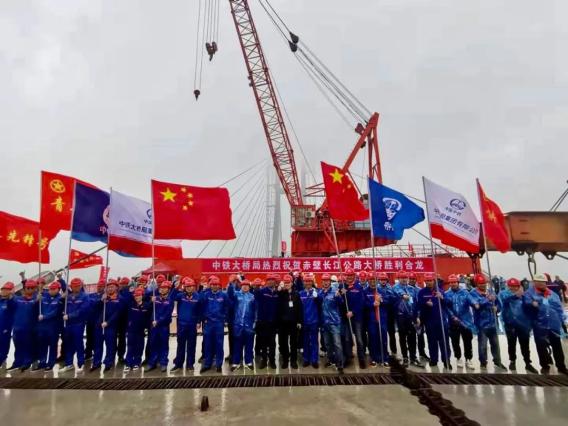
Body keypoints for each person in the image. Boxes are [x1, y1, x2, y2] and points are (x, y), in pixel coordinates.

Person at [524, 273, 567, 375]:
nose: (541, 283)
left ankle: (561, 366)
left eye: (543, 282)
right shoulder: (529, 294)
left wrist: (561, 321)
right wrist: (532, 303)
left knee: (557, 346)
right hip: (539, 325)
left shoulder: (553, 294)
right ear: (534, 282)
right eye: (538, 281)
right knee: (541, 346)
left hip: (553, 325)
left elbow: (559, 308)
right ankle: (545, 366)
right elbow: (526, 302)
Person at [499, 278, 538, 374]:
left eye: (515, 286)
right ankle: (512, 361)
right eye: (511, 286)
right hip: (510, 325)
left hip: (523, 325)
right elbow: (504, 301)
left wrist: (533, 303)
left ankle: (528, 363)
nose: (513, 288)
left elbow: (529, 306)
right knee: (511, 344)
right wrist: (515, 295)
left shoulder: (524, 295)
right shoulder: (503, 294)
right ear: (508, 286)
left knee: (525, 345)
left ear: (518, 286)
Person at [469, 274, 506, 371]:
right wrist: (487, 299)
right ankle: (483, 363)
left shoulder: (491, 291)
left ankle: (497, 361)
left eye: (484, 283)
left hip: (493, 322)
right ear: (477, 284)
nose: (483, 285)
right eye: (480, 283)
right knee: (483, 345)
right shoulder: (473, 293)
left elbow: (499, 304)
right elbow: (476, 305)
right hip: (481, 324)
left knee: (495, 344)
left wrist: (497, 308)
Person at [416, 273, 451, 369]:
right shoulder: (421, 292)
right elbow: (419, 305)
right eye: (427, 281)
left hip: (441, 320)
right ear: (425, 281)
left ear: (434, 281)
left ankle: (446, 360)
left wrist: (442, 298)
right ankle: (434, 359)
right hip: (429, 321)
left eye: (430, 280)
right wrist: (426, 304)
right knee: (432, 341)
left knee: (444, 342)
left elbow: (448, 303)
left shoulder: (440, 291)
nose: (429, 282)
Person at [445, 274, 475, 370]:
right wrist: (452, 316)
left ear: (458, 282)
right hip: (453, 322)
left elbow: (472, 301)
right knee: (455, 341)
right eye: (451, 282)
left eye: (454, 282)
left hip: (466, 322)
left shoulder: (465, 292)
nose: (453, 284)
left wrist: (475, 304)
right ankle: (458, 358)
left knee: (467, 341)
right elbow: (446, 307)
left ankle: (468, 359)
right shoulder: (446, 294)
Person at [393, 272, 423, 367]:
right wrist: (403, 295)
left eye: (405, 277)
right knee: (402, 337)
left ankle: (413, 357)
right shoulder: (395, 288)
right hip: (401, 316)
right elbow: (399, 292)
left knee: (412, 337)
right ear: (398, 278)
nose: (404, 279)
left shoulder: (412, 289)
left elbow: (416, 304)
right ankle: (405, 357)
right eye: (402, 278)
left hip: (411, 316)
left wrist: (417, 316)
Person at [200, 276, 229, 373]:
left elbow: (227, 307)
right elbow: (201, 305)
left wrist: (224, 318)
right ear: (210, 285)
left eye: (216, 284)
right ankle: (207, 364)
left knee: (219, 344)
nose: (215, 286)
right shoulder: (206, 295)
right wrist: (204, 318)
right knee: (208, 343)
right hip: (208, 323)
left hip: (219, 323)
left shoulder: (223, 295)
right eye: (213, 284)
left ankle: (218, 364)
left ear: (219, 285)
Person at [171, 277, 201, 372]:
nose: (189, 288)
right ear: (185, 287)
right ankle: (178, 364)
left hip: (192, 325)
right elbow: (171, 298)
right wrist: (175, 288)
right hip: (181, 324)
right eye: (187, 286)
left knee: (191, 345)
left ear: (194, 287)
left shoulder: (198, 297)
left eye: (191, 286)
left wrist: (198, 321)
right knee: (180, 345)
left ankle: (190, 364)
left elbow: (200, 311)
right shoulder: (180, 296)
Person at [60, 278, 89, 373]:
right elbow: (62, 304)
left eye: (77, 286)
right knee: (68, 344)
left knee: (78, 343)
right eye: (73, 286)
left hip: (78, 323)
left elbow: (82, 310)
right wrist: (62, 298)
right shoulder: (68, 296)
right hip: (68, 324)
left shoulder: (85, 297)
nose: (76, 288)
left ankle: (81, 363)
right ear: (71, 286)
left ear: (81, 286)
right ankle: (69, 364)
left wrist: (70, 316)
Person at [146, 280, 174, 373]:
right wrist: (151, 301)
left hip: (163, 326)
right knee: (153, 344)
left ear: (168, 290)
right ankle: (152, 363)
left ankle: (163, 363)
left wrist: (158, 321)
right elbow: (148, 308)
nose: (162, 290)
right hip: (154, 326)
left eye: (164, 288)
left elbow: (167, 314)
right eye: (161, 288)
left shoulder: (170, 300)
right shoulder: (156, 298)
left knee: (163, 345)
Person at [341, 268, 367, 369]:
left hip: (357, 318)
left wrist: (353, 312)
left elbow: (361, 303)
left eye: (351, 275)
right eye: (347, 275)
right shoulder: (342, 286)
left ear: (354, 276)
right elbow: (341, 302)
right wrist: (341, 294)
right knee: (347, 339)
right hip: (346, 318)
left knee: (359, 340)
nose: (349, 277)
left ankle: (361, 359)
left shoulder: (359, 287)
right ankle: (348, 358)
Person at [363, 272, 391, 366]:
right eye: (370, 280)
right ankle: (374, 358)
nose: (372, 281)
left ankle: (384, 357)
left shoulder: (382, 290)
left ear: (377, 280)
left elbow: (388, 301)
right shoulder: (365, 291)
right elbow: (363, 304)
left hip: (382, 318)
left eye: (374, 279)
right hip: (371, 319)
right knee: (373, 338)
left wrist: (381, 300)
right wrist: (372, 304)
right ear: (368, 281)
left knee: (383, 338)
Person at [228, 279, 256, 371]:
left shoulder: (252, 297)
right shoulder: (236, 295)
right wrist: (231, 284)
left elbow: (256, 310)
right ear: (241, 286)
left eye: (247, 285)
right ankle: (236, 363)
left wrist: (255, 321)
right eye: (243, 285)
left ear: (249, 287)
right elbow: (229, 295)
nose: (245, 287)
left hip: (249, 324)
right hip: (237, 324)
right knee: (237, 344)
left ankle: (249, 362)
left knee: (249, 344)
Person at [320, 274, 345, 374]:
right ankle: (331, 360)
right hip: (324, 323)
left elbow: (341, 303)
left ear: (330, 282)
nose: (325, 282)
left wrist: (339, 297)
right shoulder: (320, 292)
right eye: (324, 280)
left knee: (337, 344)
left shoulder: (335, 292)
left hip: (334, 322)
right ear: (322, 282)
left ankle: (340, 365)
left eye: (327, 280)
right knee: (327, 344)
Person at [254, 273, 279, 369]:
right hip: (263, 321)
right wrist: (256, 287)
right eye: (268, 280)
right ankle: (264, 360)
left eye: (272, 280)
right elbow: (256, 295)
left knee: (272, 342)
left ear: (275, 282)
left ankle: (272, 360)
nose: (270, 282)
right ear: (266, 281)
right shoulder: (262, 291)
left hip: (273, 322)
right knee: (263, 342)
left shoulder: (277, 292)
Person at [36, 281, 63, 371]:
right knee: (42, 345)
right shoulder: (44, 297)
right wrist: (37, 299)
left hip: (53, 327)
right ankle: (42, 362)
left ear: (58, 289)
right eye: (50, 289)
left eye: (53, 289)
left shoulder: (60, 299)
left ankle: (51, 363)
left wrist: (44, 316)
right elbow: (37, 307)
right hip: (43, 326)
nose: (51, 291)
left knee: (52, 345)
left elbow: (56, 312)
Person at [277, 274, 302, 369]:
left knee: (293, 343)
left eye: (288, 282)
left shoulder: (296, 294)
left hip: (293, 322)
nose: (287, 284)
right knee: (283, 343)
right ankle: (285, 360)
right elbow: (278, 297)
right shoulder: (281, 293)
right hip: (282, 322)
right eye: (285, 282)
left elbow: (299, 308)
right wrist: (280, 290)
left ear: (292, 283)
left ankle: (293, 361)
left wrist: (299, 321)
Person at [124, 288, 151, 372]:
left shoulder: (146, 306)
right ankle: (128, 364)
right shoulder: (131, 304)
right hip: (131, 330)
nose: (137, 297)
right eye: (135, 296)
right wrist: (130, 291)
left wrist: (147, 327)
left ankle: (136, 363)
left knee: (139, 347)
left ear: (142, 296)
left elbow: (148, 318)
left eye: (139, 295)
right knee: (130, 347)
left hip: (140, 331)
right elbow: (127, 298)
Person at [299, 273, 321, 368]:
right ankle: (306, 359)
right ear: (303, 282)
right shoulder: (300, 294)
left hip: (314, 321)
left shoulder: (317, 292)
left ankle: (314, 360)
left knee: (314, 341)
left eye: (309, 281)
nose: (307, 283)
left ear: (312, 282)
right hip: (304, 321)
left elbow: (321, 304)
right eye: (306, 281)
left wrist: (317, 298)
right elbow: (298, 308)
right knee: (305, 341)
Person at [409, 272, 429, 361]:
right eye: (411, 279)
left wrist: (419, 315)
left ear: (416, 280)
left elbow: (422, 303)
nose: (412, 280)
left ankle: (422, 352)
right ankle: (412, 355)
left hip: (420, 316)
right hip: (410, 316)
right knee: (412, 336)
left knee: (420, 335)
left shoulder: (420, 290)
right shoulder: (406, 289)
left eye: (413, 279)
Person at [85, 280, 105, 362]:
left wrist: (102, 300)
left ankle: (96, 355)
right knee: (89, 338)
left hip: (99, 321)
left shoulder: (105, 296)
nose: (99, 287)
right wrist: (100, 301)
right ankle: (88, 353)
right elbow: (90, 303)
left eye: (101, 286)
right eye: (99, 286)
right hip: (90, 319)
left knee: (97, 339)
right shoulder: (91, 295)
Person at [0, 282, 16, 369]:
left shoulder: (12, 301)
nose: (3, 291)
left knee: (3, 345)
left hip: (5, 328)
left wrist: (11, 297)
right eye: (2, 289)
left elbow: (13, 306)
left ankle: (2, 360)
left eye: (6, 289)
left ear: (11, 291)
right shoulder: (1, 300)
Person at [116, 276, 131, 364]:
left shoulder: (129, 293)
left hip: (124, 318)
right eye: (121, 284)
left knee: (122, 338)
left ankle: (120, 355)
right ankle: (117, 355)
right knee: (116, 338)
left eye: (124, 284)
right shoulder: (117, 292)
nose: (122, 285)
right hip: (116, 318)